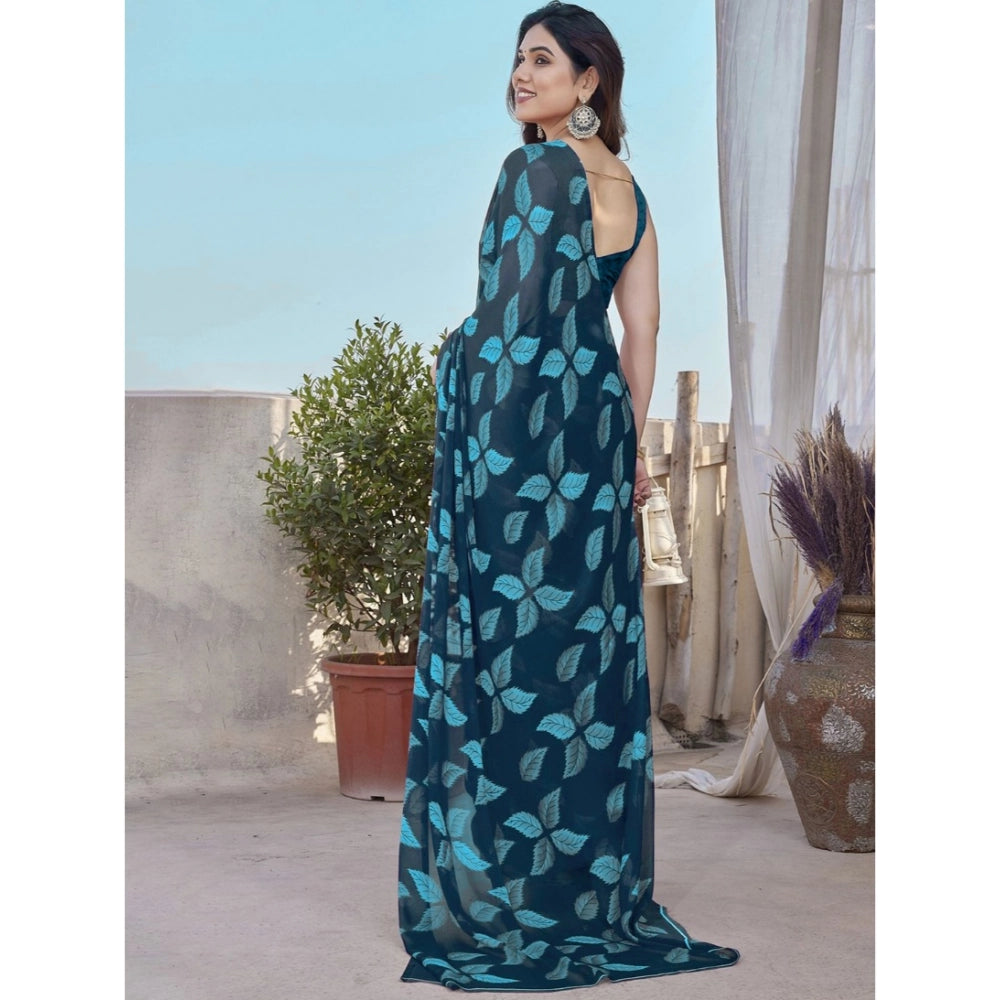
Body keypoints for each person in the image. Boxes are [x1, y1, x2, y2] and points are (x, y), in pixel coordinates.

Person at [398, 3, 739, 991]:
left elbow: (504, 325)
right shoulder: (630, 190)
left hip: (518, 433)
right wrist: (629, 447)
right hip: (593, 428)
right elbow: (643, 333)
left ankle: (509, 886)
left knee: (509, 649)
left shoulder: (533, 171)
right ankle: (585, 890)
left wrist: (459, 366)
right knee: (581, 655)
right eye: (517, 59)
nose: (521, 74)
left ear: (587, 81)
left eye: (541, 59)